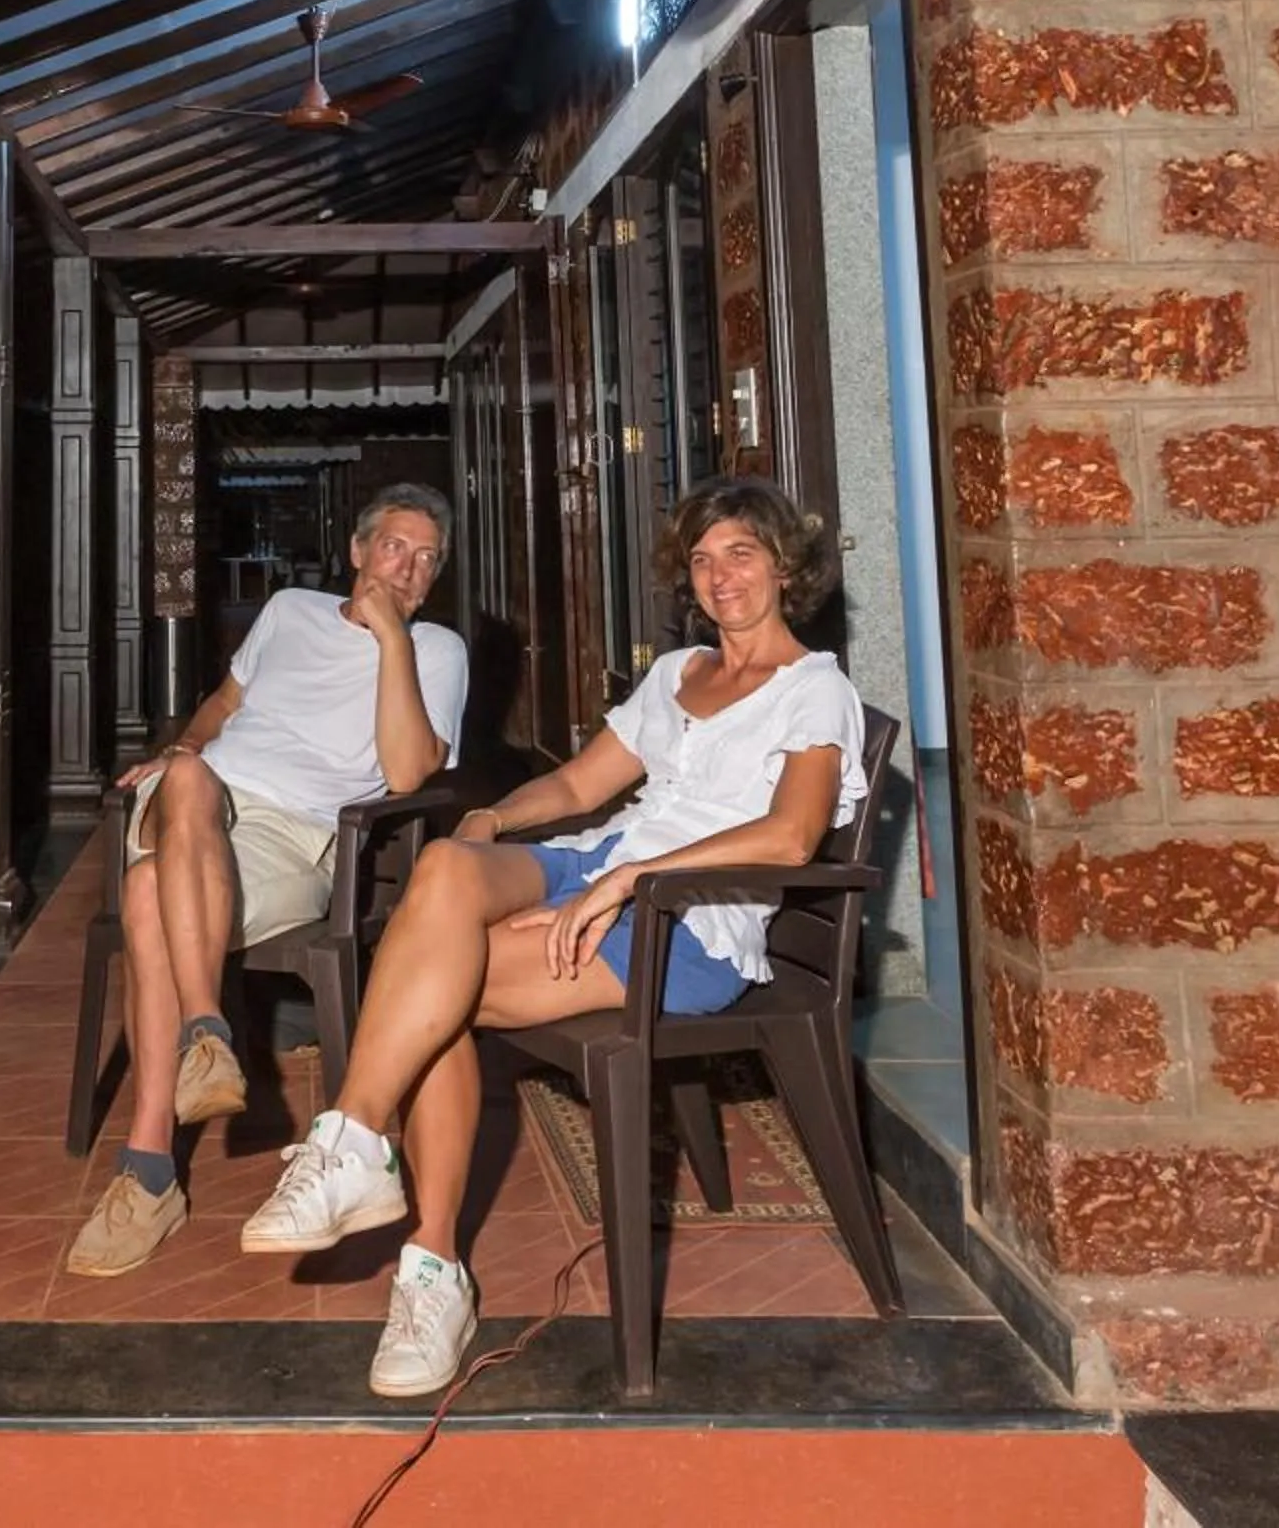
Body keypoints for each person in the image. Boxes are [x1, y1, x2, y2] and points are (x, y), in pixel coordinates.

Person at [236, 476, 866, 1399]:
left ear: (784, 566)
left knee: (431, 992)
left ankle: (427, 1261)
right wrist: (491, 819)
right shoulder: (676, 675)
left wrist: (628, 882)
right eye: (702, 559)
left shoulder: (814, 689)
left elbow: (790, 836)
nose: (720, 576)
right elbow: (576, 788)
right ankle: (358, 1145)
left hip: (690, 921)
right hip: (602, 860)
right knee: (446, 869)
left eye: (741, 554)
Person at [64, 485, 469, 1280]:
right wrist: (180, 749)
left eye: (427, 559)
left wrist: (392, 641)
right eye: (394, 547)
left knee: (145, 894)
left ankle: (150, 1169)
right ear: (357, 551)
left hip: (295, 840)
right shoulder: (288, 611)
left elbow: (406, 771)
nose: (407, 568)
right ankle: (207, 1031)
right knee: (188, 777)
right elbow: (222, 704)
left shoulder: (437, 651)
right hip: (199, 800)